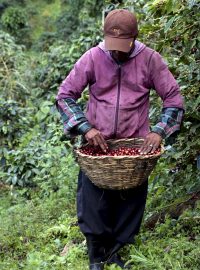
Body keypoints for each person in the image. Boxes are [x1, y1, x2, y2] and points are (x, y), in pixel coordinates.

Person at [56, 9, 184, 270]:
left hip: (134, 144)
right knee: (93, 201)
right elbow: (65, 95)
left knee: (130, 201)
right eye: (112, 46)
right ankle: (95, 254)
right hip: (97, 144)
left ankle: (115, 251)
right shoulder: (93, 57)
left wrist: (159, 130)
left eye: (122, 47)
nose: (116, 52)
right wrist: (85, 127)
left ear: (135, 38)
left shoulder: (149, 60)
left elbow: (174, 99)